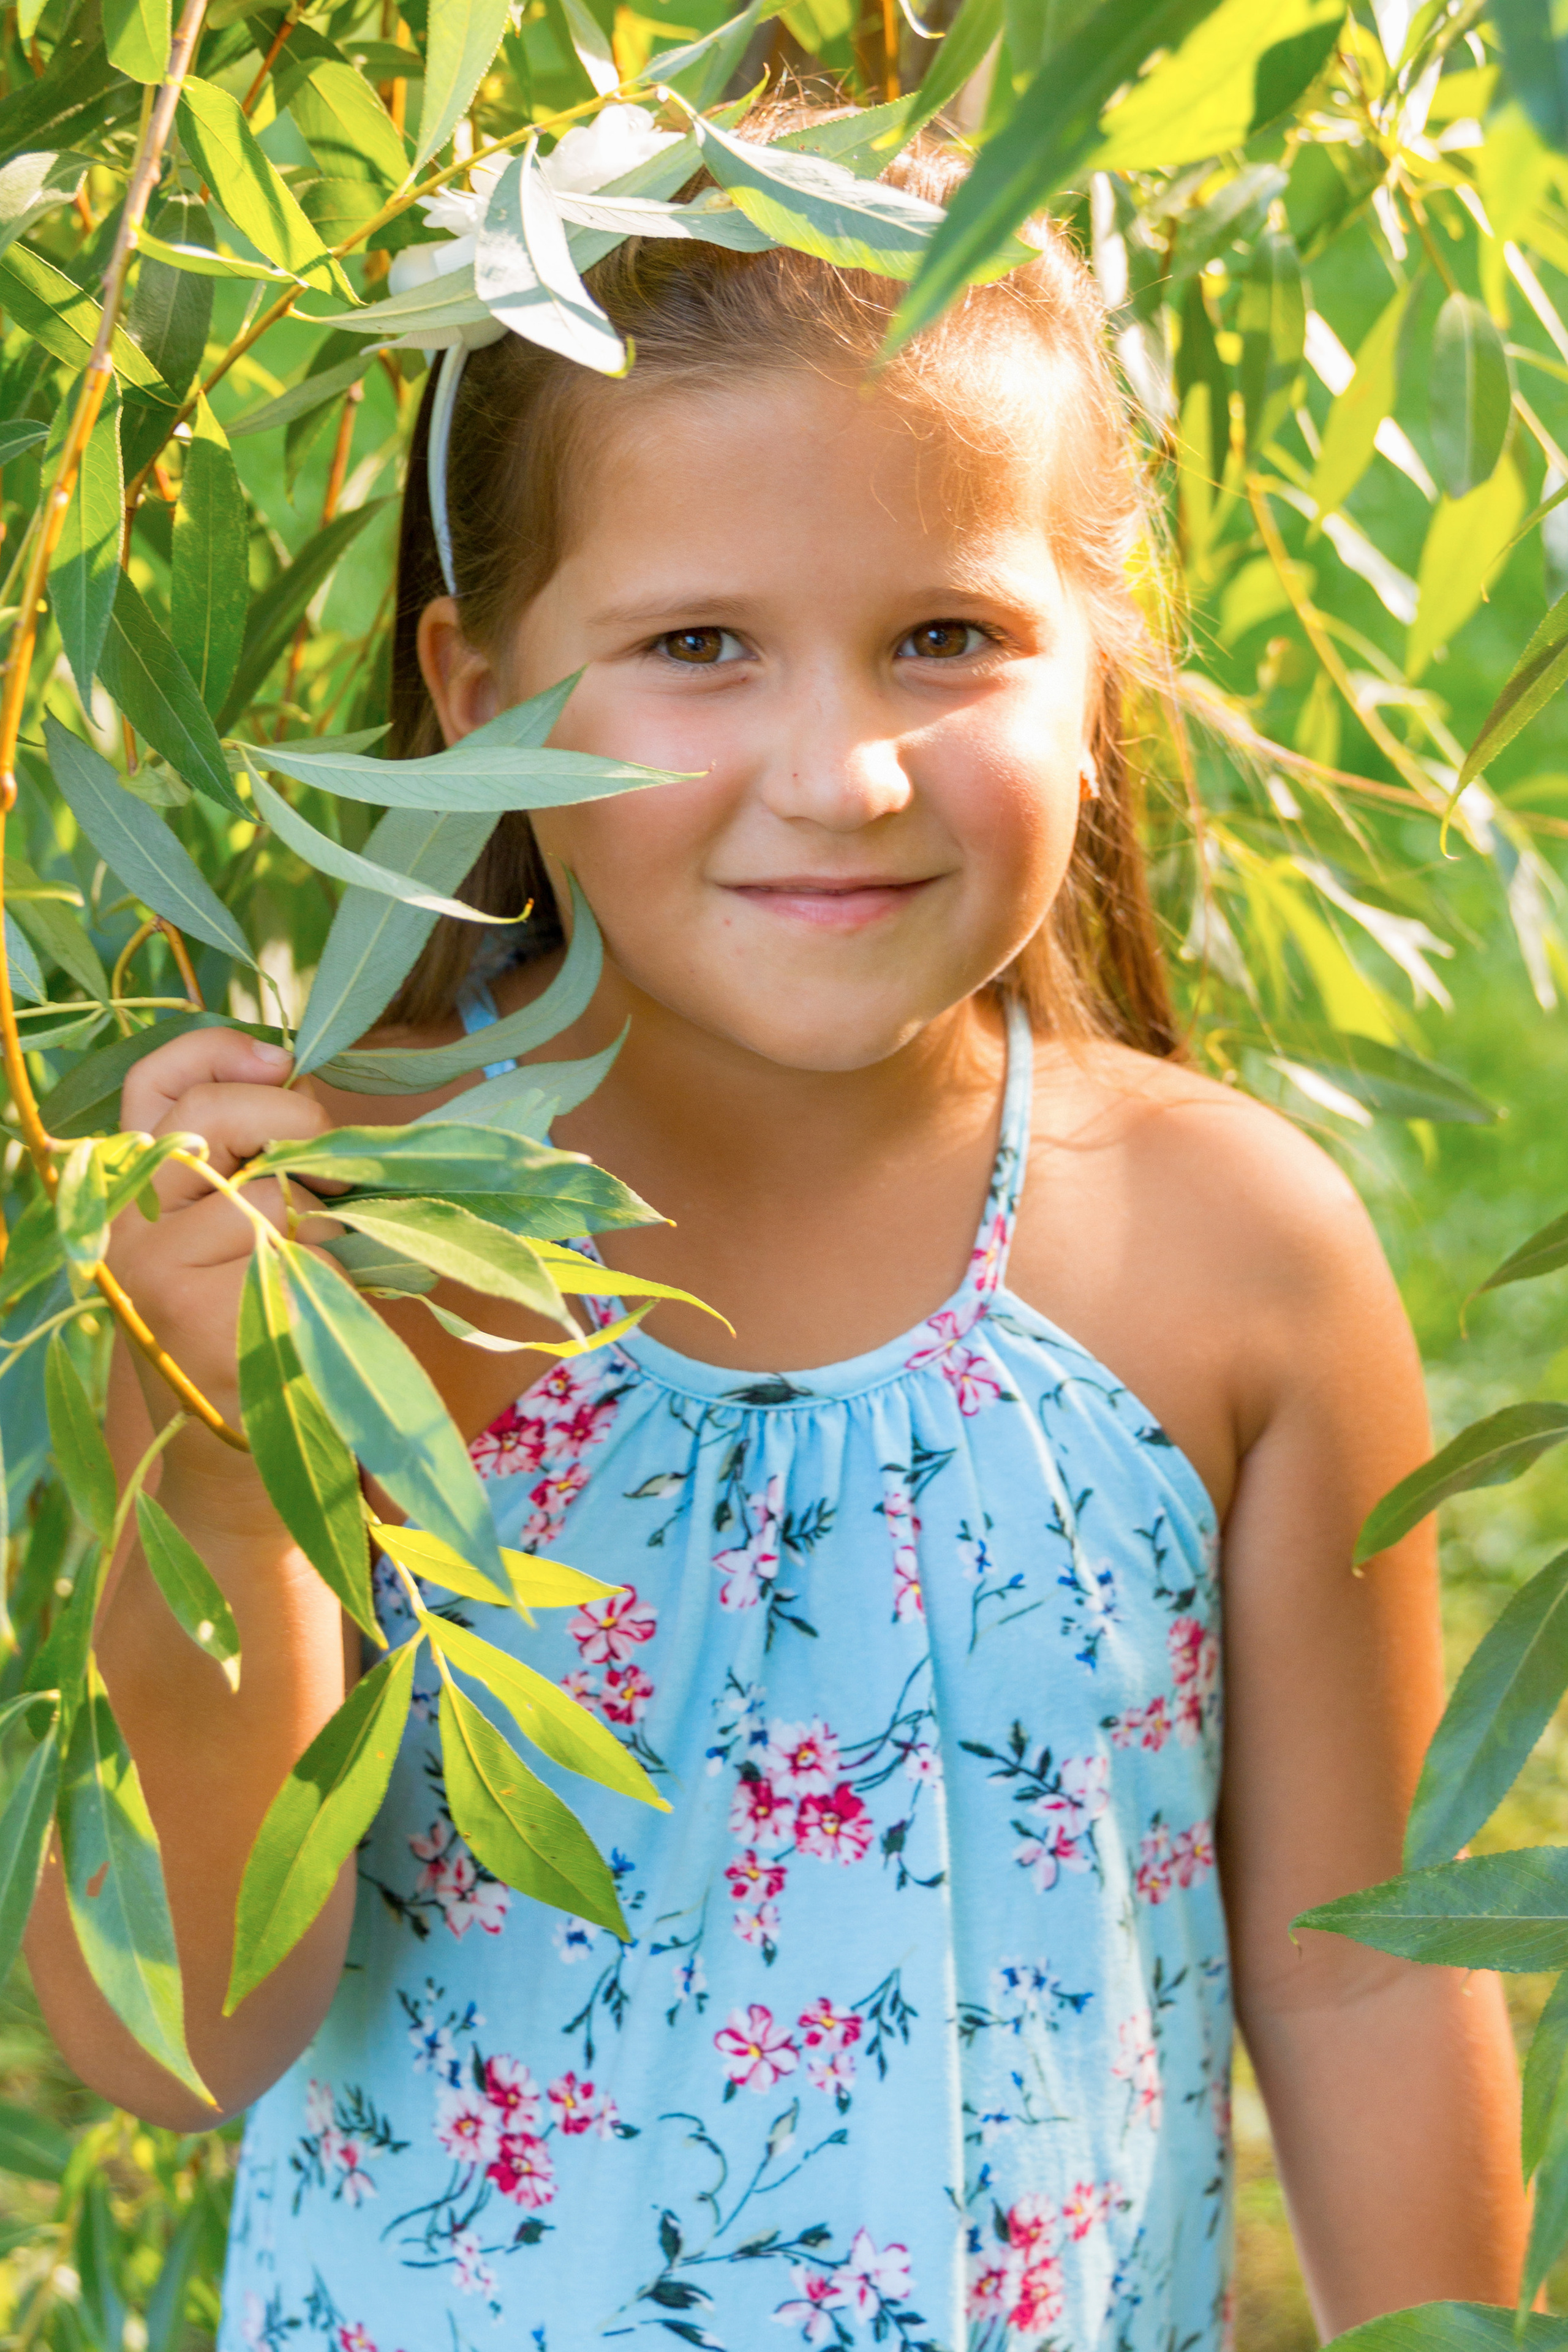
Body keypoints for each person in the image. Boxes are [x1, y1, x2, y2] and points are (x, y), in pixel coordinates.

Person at [27, 96, 1526, 2352]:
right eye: (703, 647)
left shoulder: (1230, 1254)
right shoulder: (314, 1251)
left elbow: (1364, 1986)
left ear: (1100, 669)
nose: (844, 773)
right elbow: (166, 2045)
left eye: (946, 634)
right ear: (472, 700)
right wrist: (224, 1486)